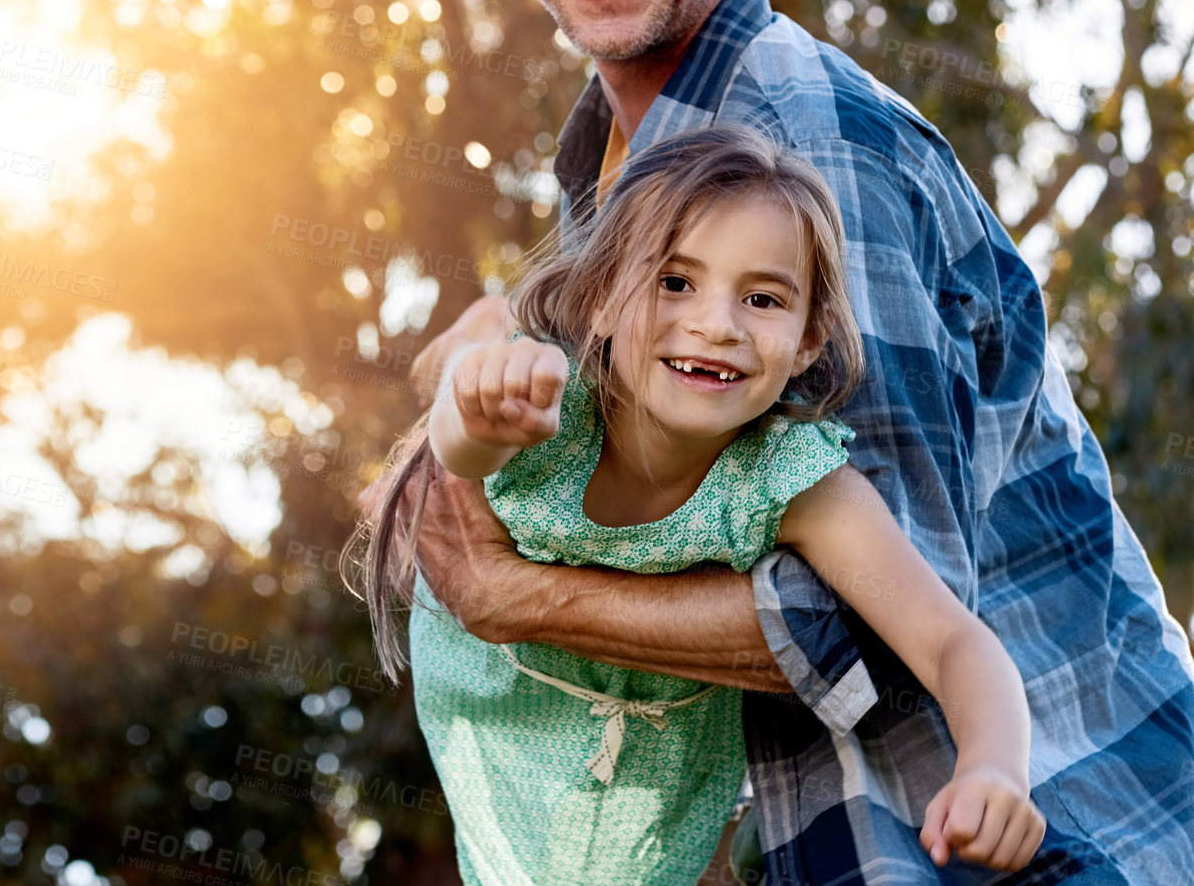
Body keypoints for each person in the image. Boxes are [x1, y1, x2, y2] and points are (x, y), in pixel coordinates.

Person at [363, 0, 1194, 881]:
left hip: (1067, 838)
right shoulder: (617, 175)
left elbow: (874, 611)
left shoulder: (798, 139)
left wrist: (519, 597)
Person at [353, 126, 1046, 884]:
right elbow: (465, 457)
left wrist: (997, 767)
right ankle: (480, 324)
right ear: (604, 299)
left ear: (810, 339)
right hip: (500, 742)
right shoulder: (553, 398)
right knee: (487, 344)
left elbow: (953, 642)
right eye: (675, 281)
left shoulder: (792, 481)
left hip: (657, 805)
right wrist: (477, 410)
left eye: (762, 297)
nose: (718, 324)